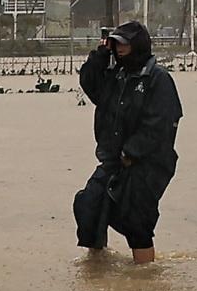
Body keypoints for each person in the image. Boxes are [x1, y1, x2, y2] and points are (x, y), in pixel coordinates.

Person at [74, 20, 181, 262]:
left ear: (137, 44)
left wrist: (132, 152)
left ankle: (145, 279)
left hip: (148, 164)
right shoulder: (115, 76)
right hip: (113, 159)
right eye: (115, 43)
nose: (119, 48)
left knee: (137, 222)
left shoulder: (157, 79)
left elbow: (161, 123)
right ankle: (97, 266)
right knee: (89, 206)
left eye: (123, 43)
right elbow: (89, 84)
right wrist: (100, 55)